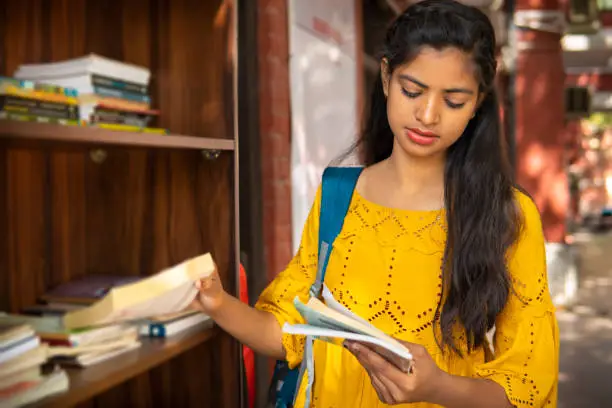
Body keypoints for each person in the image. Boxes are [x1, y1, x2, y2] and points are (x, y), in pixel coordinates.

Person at [191, 0, 559, 407]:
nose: (427, 114)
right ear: (386, 77)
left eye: (454, 100)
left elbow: (528, 385)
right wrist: (218, 303)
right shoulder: (338, 196)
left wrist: (436, 387)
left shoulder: (507, 215)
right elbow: (290, 334)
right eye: (412, 90)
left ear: (477, 104)